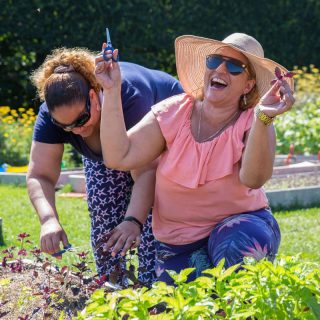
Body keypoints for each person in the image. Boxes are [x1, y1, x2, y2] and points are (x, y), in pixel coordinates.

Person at [94, 33, 295, 284]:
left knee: (235, 248)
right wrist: (111, 90)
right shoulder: (174, 111)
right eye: (214, 61)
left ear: (248, 85)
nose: (221, 68)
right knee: (172, 309)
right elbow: (119, 156)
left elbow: (254, 179)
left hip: (238, 229)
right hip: (179, 244)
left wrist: (264, 120)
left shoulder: (253, 122)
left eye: (234, 66)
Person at [27, 47, 183, 285]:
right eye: (65, 127)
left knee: (152, 218)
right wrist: (48, 219)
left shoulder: (129, 98)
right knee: (103, 207)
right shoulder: (53, 115)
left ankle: (155, 289)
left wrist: (133, 221)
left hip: (167, 133)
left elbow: (147, 172)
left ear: (93, 96)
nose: (75, 130)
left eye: (80, 120)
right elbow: (40, 175)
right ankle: (112, 286)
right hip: (116, 151)